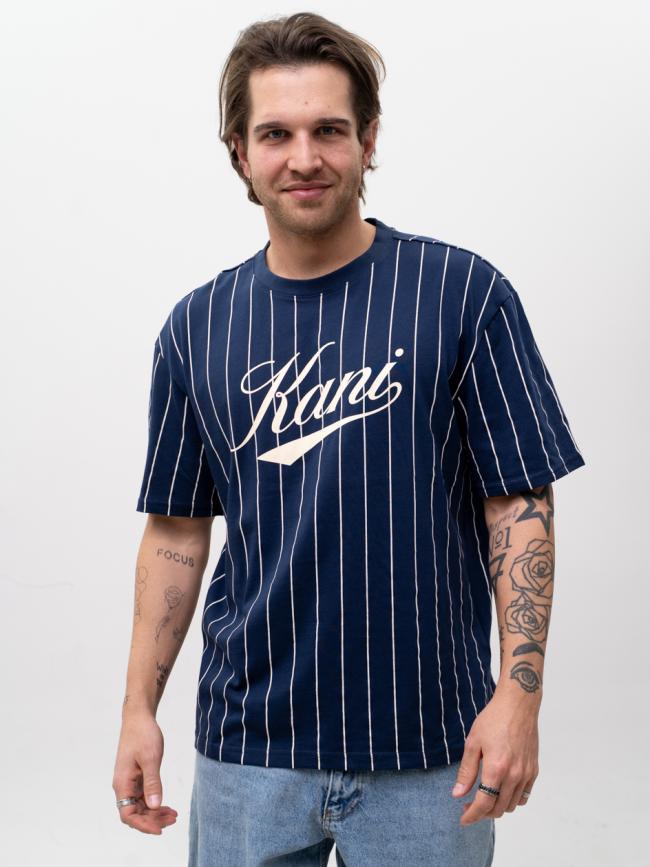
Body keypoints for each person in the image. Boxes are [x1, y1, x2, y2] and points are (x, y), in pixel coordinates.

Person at [112, 11, 586, 866]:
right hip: (249, 748)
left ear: (368, 140)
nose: (304, 157)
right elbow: (177, 531)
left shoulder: (462, 295)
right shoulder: (197, 328)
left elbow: (519, 507)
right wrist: (137, 710)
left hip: (430, 750)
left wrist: (520, 699)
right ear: (240, 152)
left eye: (329, 130)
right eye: (276, 134)